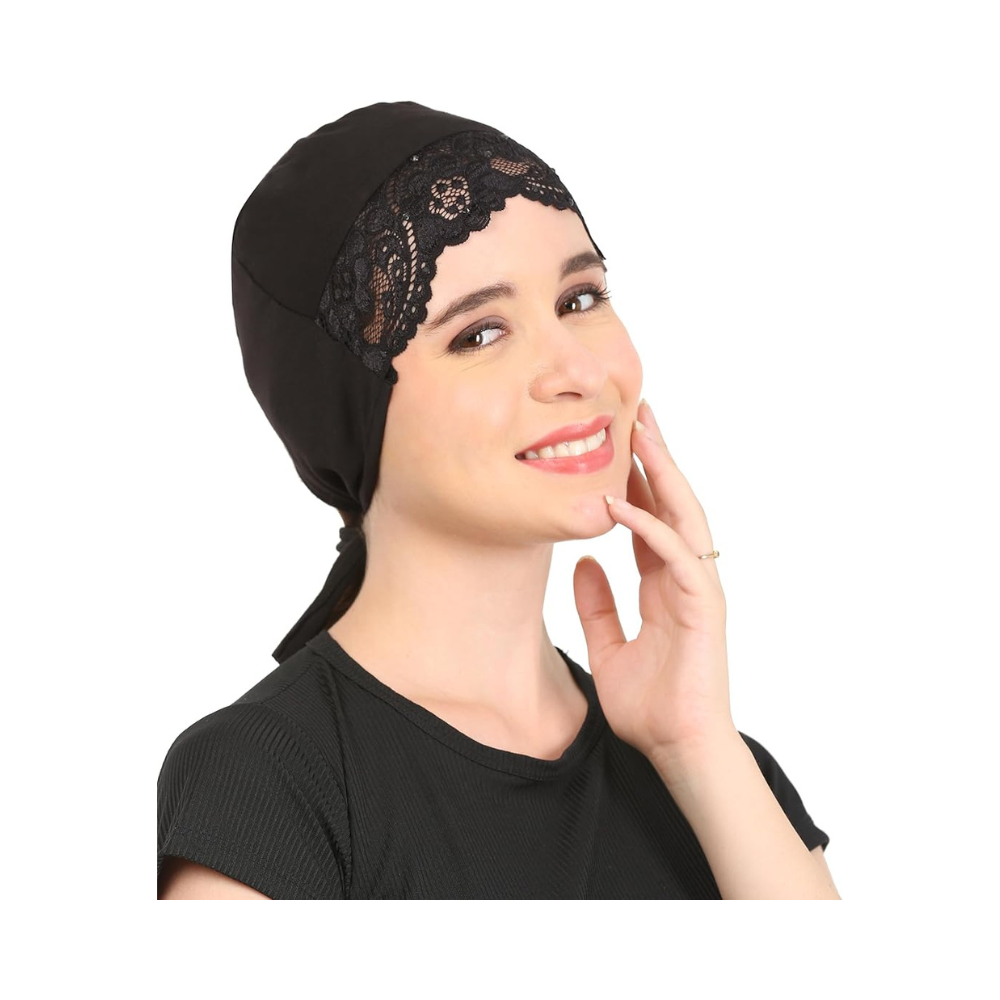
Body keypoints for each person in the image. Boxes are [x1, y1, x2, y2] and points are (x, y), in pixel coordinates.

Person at [157, 101, 837, 899]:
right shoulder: (265, 783)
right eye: (479, 333)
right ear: (349, 410)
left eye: (579, 299)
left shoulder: (715, 766)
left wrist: (696, 745)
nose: (579, 370)